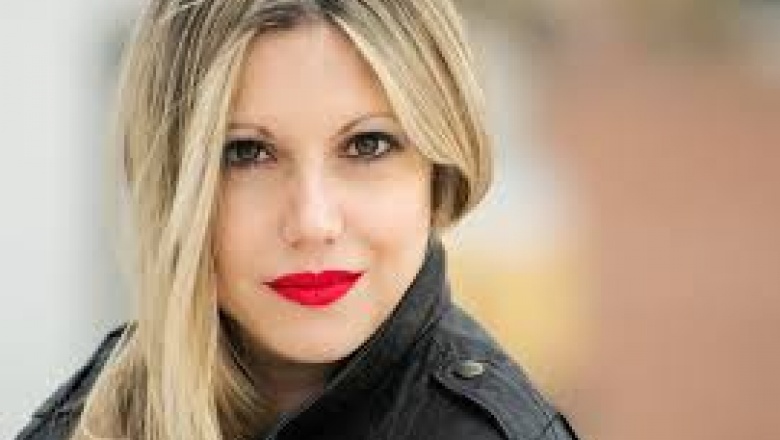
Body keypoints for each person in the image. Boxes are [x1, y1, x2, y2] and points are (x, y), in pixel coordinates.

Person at [16, 1, 578, 439]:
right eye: (247, 153)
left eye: (367, 145)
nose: (312, 221)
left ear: (439, 171)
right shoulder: (89, 423)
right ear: (170, 180)